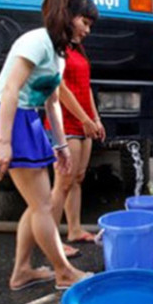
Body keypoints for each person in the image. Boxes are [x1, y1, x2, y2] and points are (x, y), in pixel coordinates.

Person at [0, 0, 95, 291]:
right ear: (67, 15)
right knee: (44, 206)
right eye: (84, 22)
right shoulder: (36, 41)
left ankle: (22, 271)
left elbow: (52, 101)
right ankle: (63, 272)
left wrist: (60, 145)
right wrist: (4, 142)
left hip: (31, 120)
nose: (87, 30)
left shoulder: (58, 54)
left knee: (37, 206)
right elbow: (10, 89)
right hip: (12, 120)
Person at [46, 32, 106, 247]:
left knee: (77, 178)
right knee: (63, 182)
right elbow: (59, 88)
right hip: (65, 123)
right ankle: (51, 241)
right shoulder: (56, 49)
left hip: (84, 123)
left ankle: (74, 229)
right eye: (84, 22)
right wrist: (84, 118)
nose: (88, 30)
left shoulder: (77, 50)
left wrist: (95, 118)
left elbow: (85, 85)